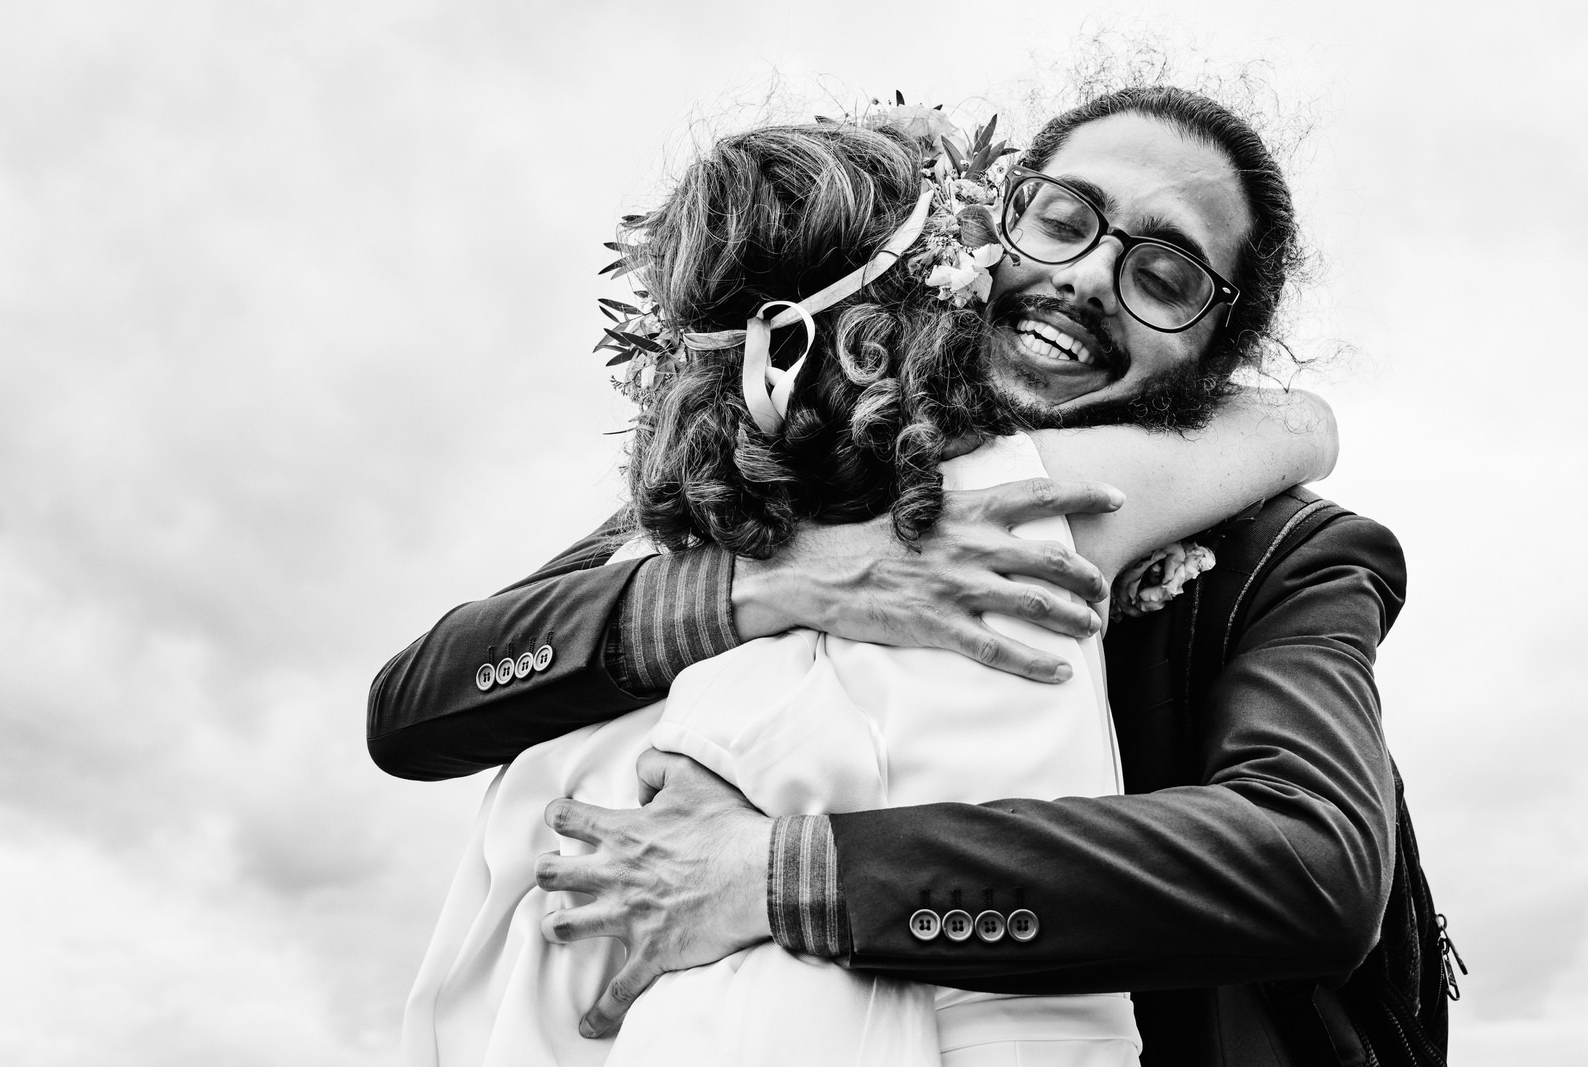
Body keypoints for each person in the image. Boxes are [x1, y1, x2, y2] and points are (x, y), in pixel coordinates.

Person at [370, 86, 1406, 1067]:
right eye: (1062, 219)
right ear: (985, 230)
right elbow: (415, 705)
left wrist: (789, 874)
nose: (1090, 274)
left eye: (1165, 276)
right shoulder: (761, 488)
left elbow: (1310, 864)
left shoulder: (1284, 554)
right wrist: (776, 583)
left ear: (1215, 353)